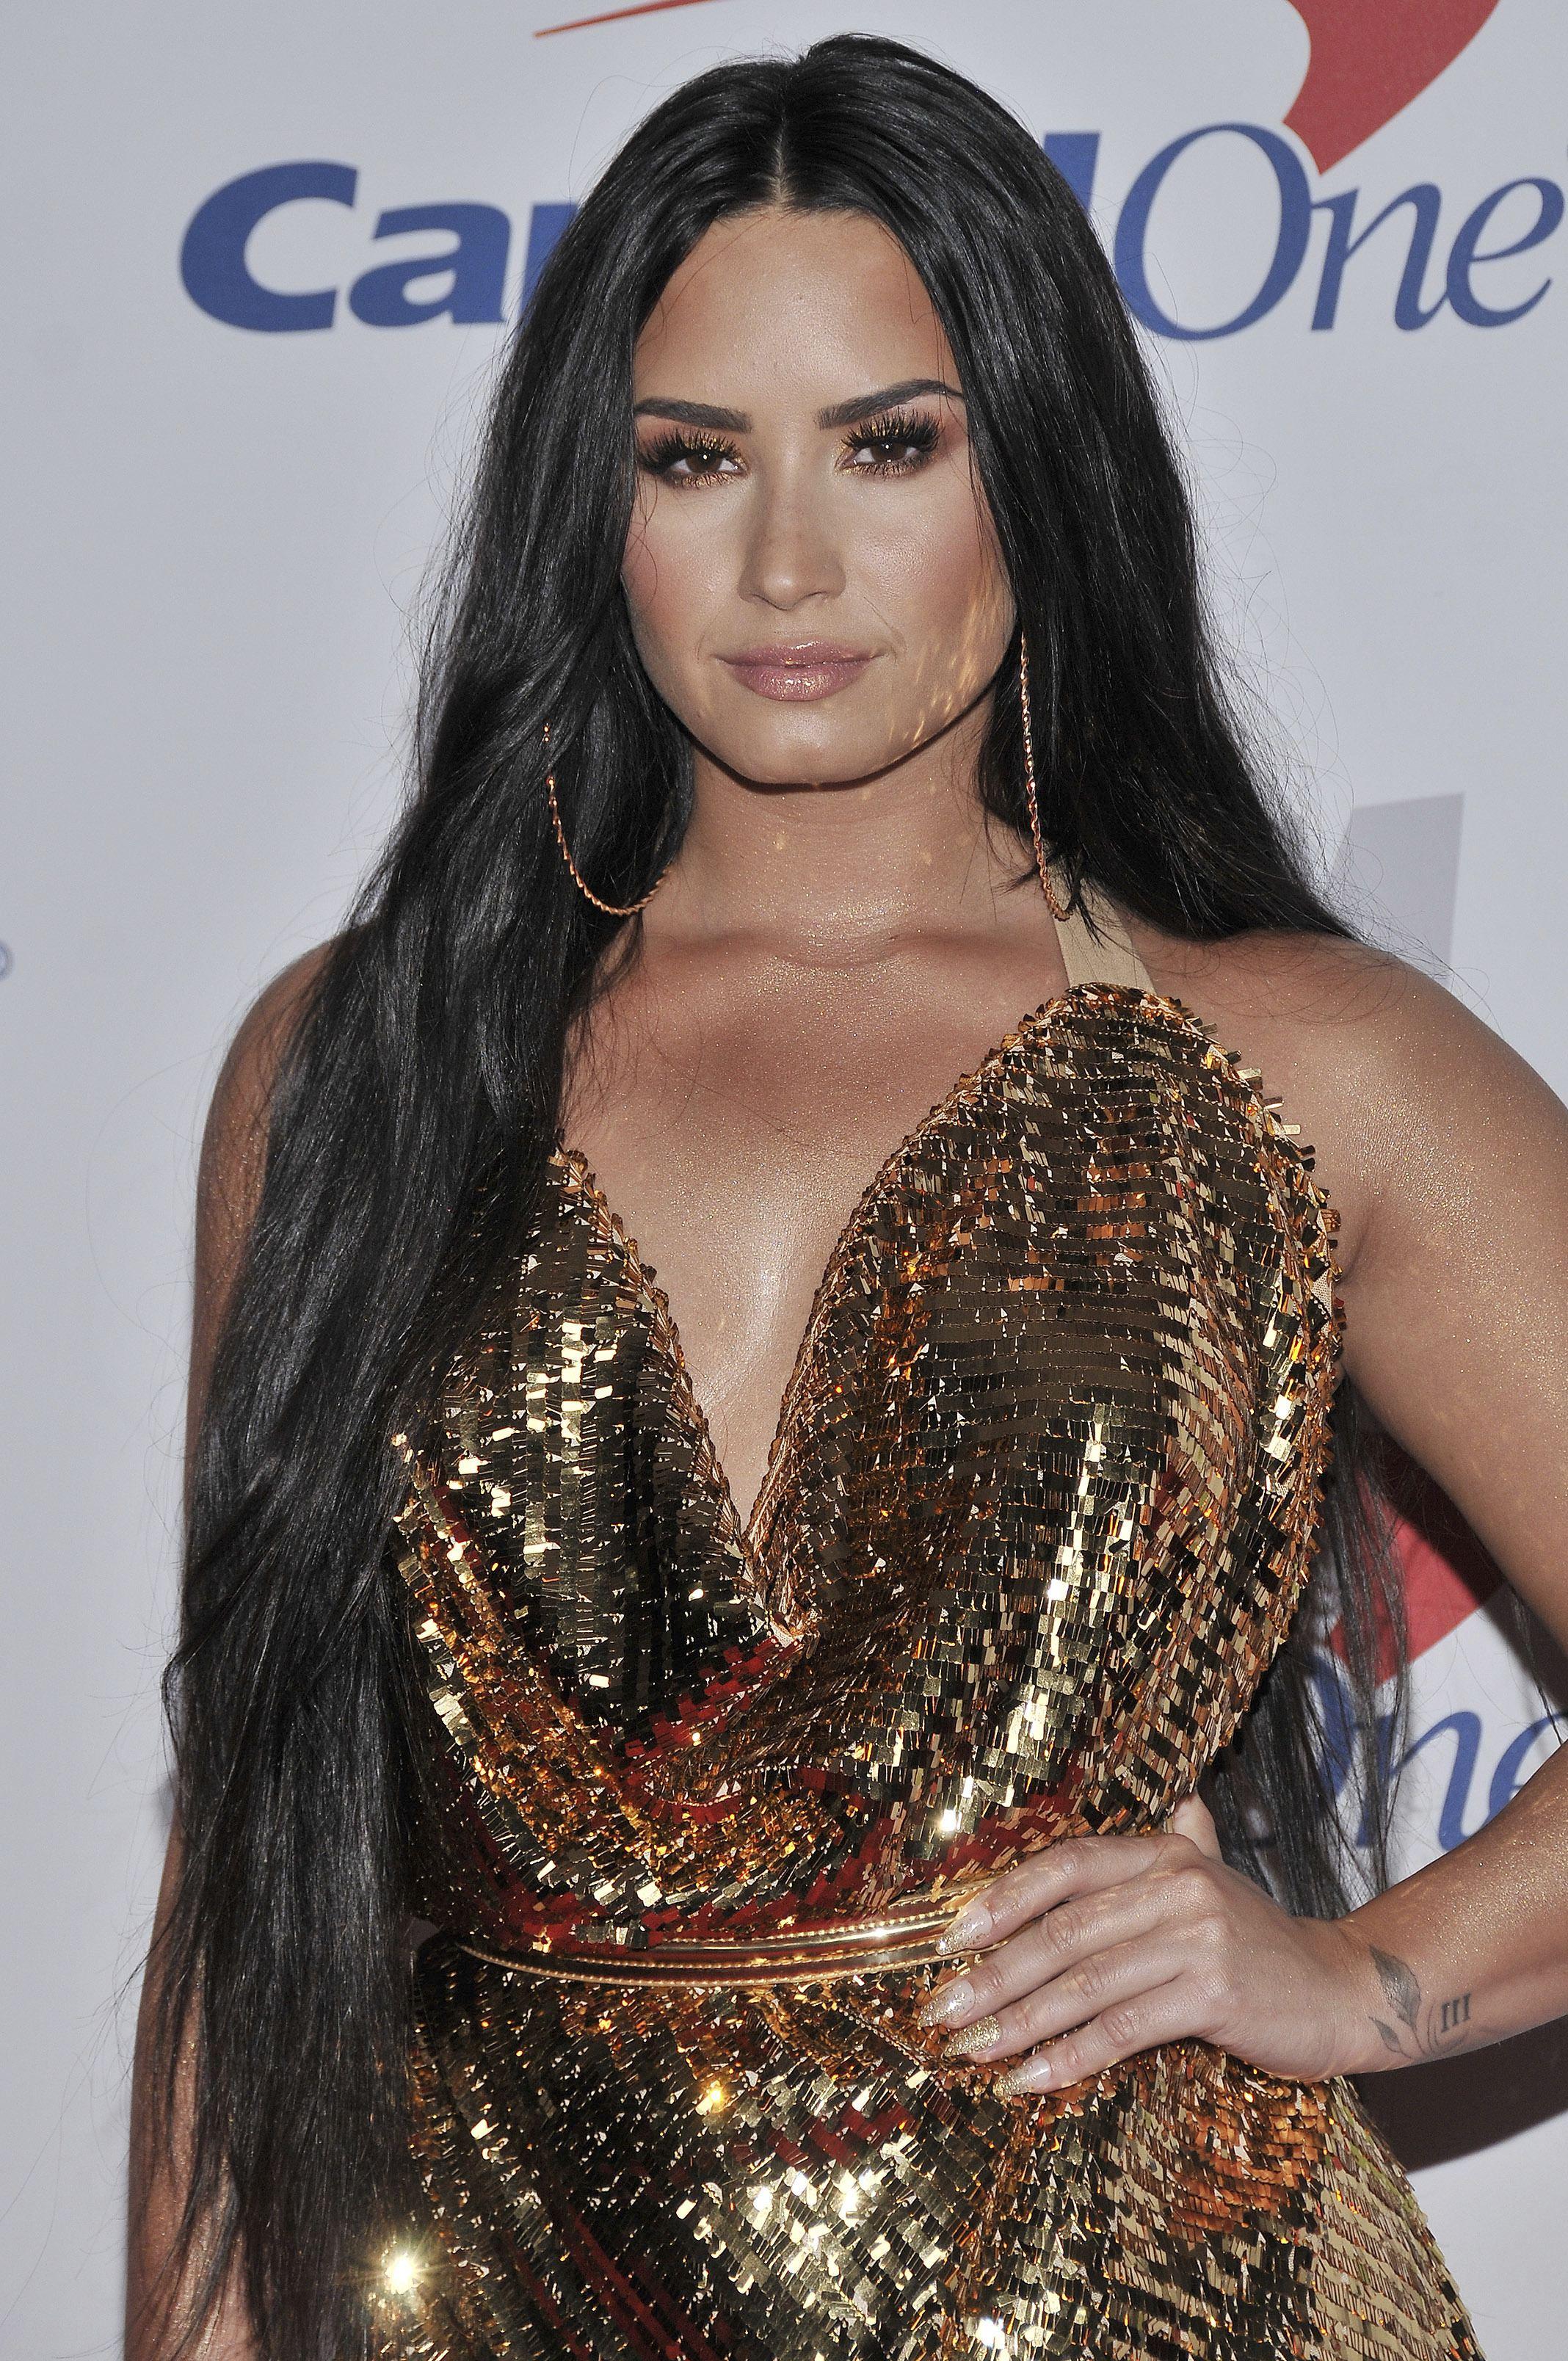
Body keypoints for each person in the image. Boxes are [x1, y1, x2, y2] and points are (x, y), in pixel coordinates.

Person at [126, 33, 1568, 2361]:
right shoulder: (356, 1065)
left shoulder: (1305, 1067)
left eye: (891, 446)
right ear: (591, 507)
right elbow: (261, 1861)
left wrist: (1359, 1976)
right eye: (693, 459)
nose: (786, 563)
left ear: (1042, 468)